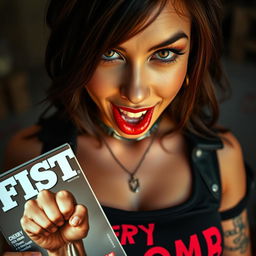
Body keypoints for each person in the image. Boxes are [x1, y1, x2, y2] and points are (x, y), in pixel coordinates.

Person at [1, 0, 253, 255]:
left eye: (164, 54)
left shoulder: (222, 157)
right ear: (76, 52)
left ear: (193, 57)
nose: (136, 93)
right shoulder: (28, 158)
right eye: (109, 53)